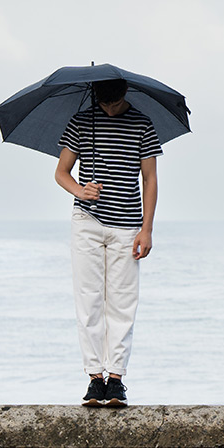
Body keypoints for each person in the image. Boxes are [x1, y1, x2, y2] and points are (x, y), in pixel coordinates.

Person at [54, 78, 161, 407]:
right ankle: (94, 378)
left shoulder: (142, 124)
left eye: (114, 102)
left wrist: (147, 229)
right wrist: (80, 190)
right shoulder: (83, 121)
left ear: (124, 94)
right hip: (87, 221)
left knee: (123, 302)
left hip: (127, 225)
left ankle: (116, 379)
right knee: (88, 300)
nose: (109, 107)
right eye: (104, 101)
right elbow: (62, 172)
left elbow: (150, 178)